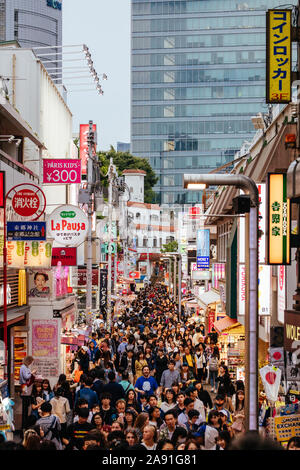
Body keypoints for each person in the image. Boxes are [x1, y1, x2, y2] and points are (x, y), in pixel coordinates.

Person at [19, 355, 36, 431]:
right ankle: (24, 426)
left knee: (26, 408)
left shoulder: (25, 367)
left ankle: (25, 426)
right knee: (25, 409)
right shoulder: (23, 367)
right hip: (25, 387)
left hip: (26, 387)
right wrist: (32, 373)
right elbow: (26, 377)